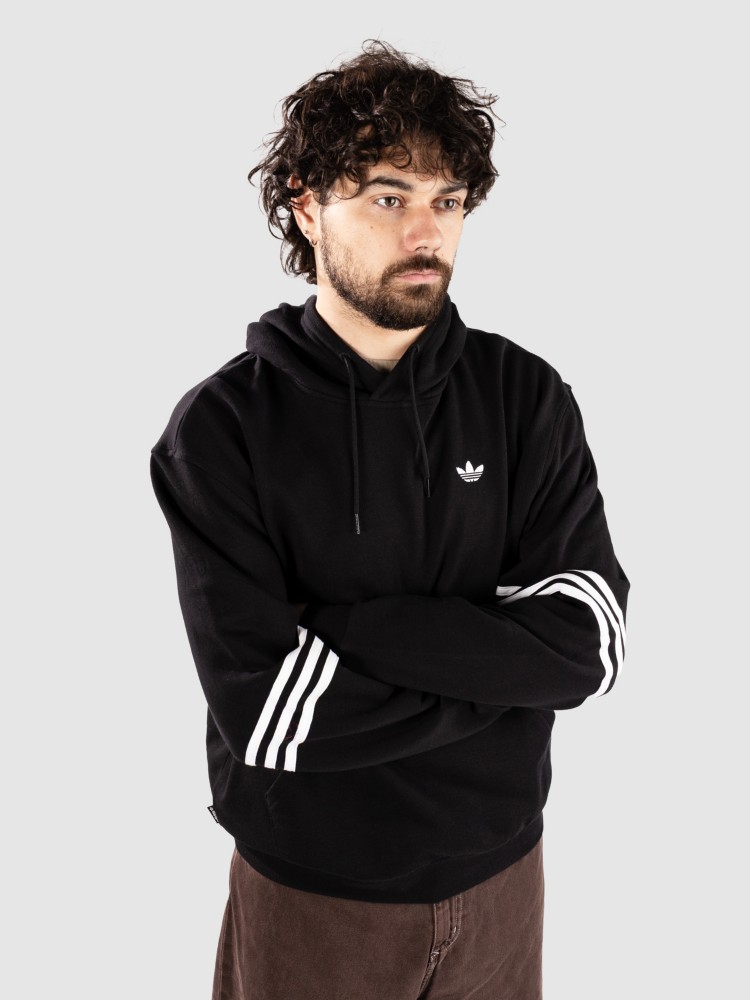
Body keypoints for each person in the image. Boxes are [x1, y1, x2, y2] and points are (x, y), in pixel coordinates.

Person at [150, 39, 629, 1000]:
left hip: (504, 882)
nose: (426, 231)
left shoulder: (524, 396)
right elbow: (270, 716)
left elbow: (589, 645)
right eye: (387, 196)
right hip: (315, 901)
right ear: (306, 205)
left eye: (447, 201)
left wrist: (349, 634)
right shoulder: (222, 430)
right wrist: (506, 674)